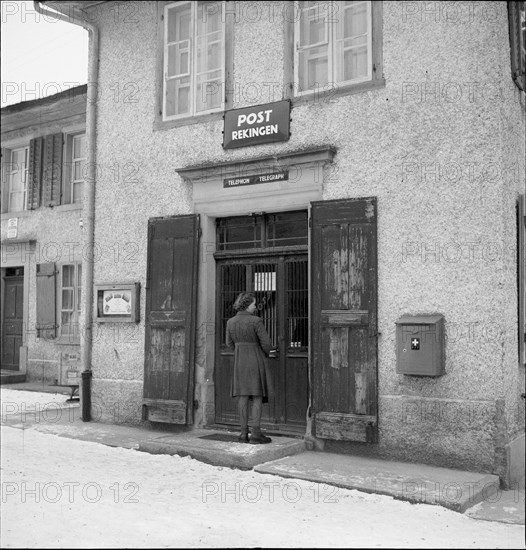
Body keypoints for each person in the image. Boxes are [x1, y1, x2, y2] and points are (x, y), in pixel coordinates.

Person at [226, 292, 277, 444]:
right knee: (256, 395)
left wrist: (240, 349)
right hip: (255, 359)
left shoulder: (230, 322)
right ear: (248, 305)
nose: (255, 307)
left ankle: (243, 434)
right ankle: (256, 433)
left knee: (242, 396)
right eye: (254, 304)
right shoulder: (256, 321)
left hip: (240, 361)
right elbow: (266, 343)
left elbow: (229, 344)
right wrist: (271, 353)